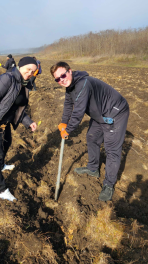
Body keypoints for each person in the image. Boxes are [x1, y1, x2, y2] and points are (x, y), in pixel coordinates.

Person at [51, 61, 129, 202]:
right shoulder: (70, 87)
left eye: (63, 75)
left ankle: (109, 184)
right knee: (92, 138)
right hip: (100, 113)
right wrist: (63, 122)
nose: (61, 80)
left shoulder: (83, 83)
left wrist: (67, 130)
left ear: (70, 71)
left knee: (112, 149)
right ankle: (93, 169)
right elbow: (68, 104)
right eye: (57, 79)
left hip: (115, 113)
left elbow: (79, 112)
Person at [0, 57, 38, 202]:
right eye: (28, 69)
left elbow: (17, 108)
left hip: (6, 122)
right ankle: (0, 189)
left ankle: (1, 165)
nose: (30, 73)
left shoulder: (24, 83)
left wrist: (28, 122)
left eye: (33, 71)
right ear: (20, 66)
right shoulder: (7, 78)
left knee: (7, 143)